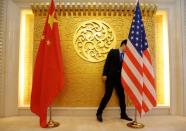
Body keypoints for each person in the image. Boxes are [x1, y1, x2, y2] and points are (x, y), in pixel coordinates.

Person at [96, 39, 132, 122]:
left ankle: (123, 114)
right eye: (127, 47)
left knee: (122, 96)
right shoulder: (113, 52)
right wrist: (104, 74)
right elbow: (107, 63)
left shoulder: (127, 56)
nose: (128, 49)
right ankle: (99, 113)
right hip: (110, 77)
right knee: (107, 95)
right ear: (123, 45)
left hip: (120, 79)